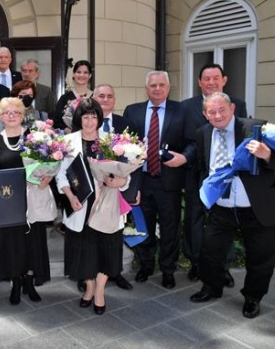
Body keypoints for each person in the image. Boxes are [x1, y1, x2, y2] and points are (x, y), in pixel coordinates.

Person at [189, 92, 275, 319]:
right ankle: (211, 288)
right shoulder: (203, 133)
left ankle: (253, 298)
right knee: (210, 251)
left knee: (260, 258)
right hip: (222, 207)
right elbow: (204, 167)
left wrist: (266, 154)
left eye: (221, 109)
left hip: (258, 208)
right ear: (205, 115)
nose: (217, 115)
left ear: (232, 108)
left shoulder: (256, 128)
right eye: (211, 111)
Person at [123, 71, 194, 289]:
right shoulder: (132, 111)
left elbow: (192, 143)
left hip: (169, 182)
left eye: (161, 85)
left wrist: (183, 157)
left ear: (168, 87)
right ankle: (146, 265)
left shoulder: (181, 110)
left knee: (170, 228)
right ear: (146, 88)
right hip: (141, 180)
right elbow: (124, 144)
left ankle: (168, 270)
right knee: (143, 226)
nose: (157, 88)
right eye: (153, 85)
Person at [56, 98, 126, 315]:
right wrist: (69, 196)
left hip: (106, 203)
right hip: (81, 204)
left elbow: (124, 173)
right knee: (84, 251)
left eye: (93, 116)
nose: (89, 121)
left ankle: (100, 292)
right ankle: (89, 287)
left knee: (106, 248)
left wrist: (119, 182)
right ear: (79, 119)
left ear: (99, 118)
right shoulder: (68, 141)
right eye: (85, 116)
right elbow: (61, 175)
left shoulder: (111, 141)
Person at [182, 63, 247, 285]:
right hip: (196, 174)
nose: (211, 82)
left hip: (227, 179)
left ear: (224, 80)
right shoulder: (186, 107)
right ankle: (196, 263)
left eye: (215, 78)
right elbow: (187, 141)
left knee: (225, 222)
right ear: (199, 82)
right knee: (194, 220)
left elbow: (241, 139)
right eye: (206, 79)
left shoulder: (238, 104)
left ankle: (223, 267)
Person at [0, 97, 49, 305]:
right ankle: (16, 283)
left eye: (16, 112)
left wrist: (46, 177)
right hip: (8, 201)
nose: (11, 116)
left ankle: (29, 282)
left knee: (32, 241)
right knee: (12, 243)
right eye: (7, 113)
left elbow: (47, 163)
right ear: (0, 116)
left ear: (23, 115)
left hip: (32, 198)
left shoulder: (34, 137)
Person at [92, 83, 138, 291]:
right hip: (95, 189)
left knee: (116, 233)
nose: (105, 99)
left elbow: (137, 158)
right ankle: (91, 275)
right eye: (101, 96)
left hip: (118, 188)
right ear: (94, 98)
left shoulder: (126, 124)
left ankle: (115, 272)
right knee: (93, 234)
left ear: (115, 100)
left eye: (109, 96)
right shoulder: (87, 123)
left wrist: (131, 187)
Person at [53, 60, 94, 131]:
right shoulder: (65, 98)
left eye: (85, 72)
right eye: (78, 72)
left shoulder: (95, 97)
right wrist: (66, 129)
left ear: (90, 75)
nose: (82, 75)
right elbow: (56, 120)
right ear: (73, 74)